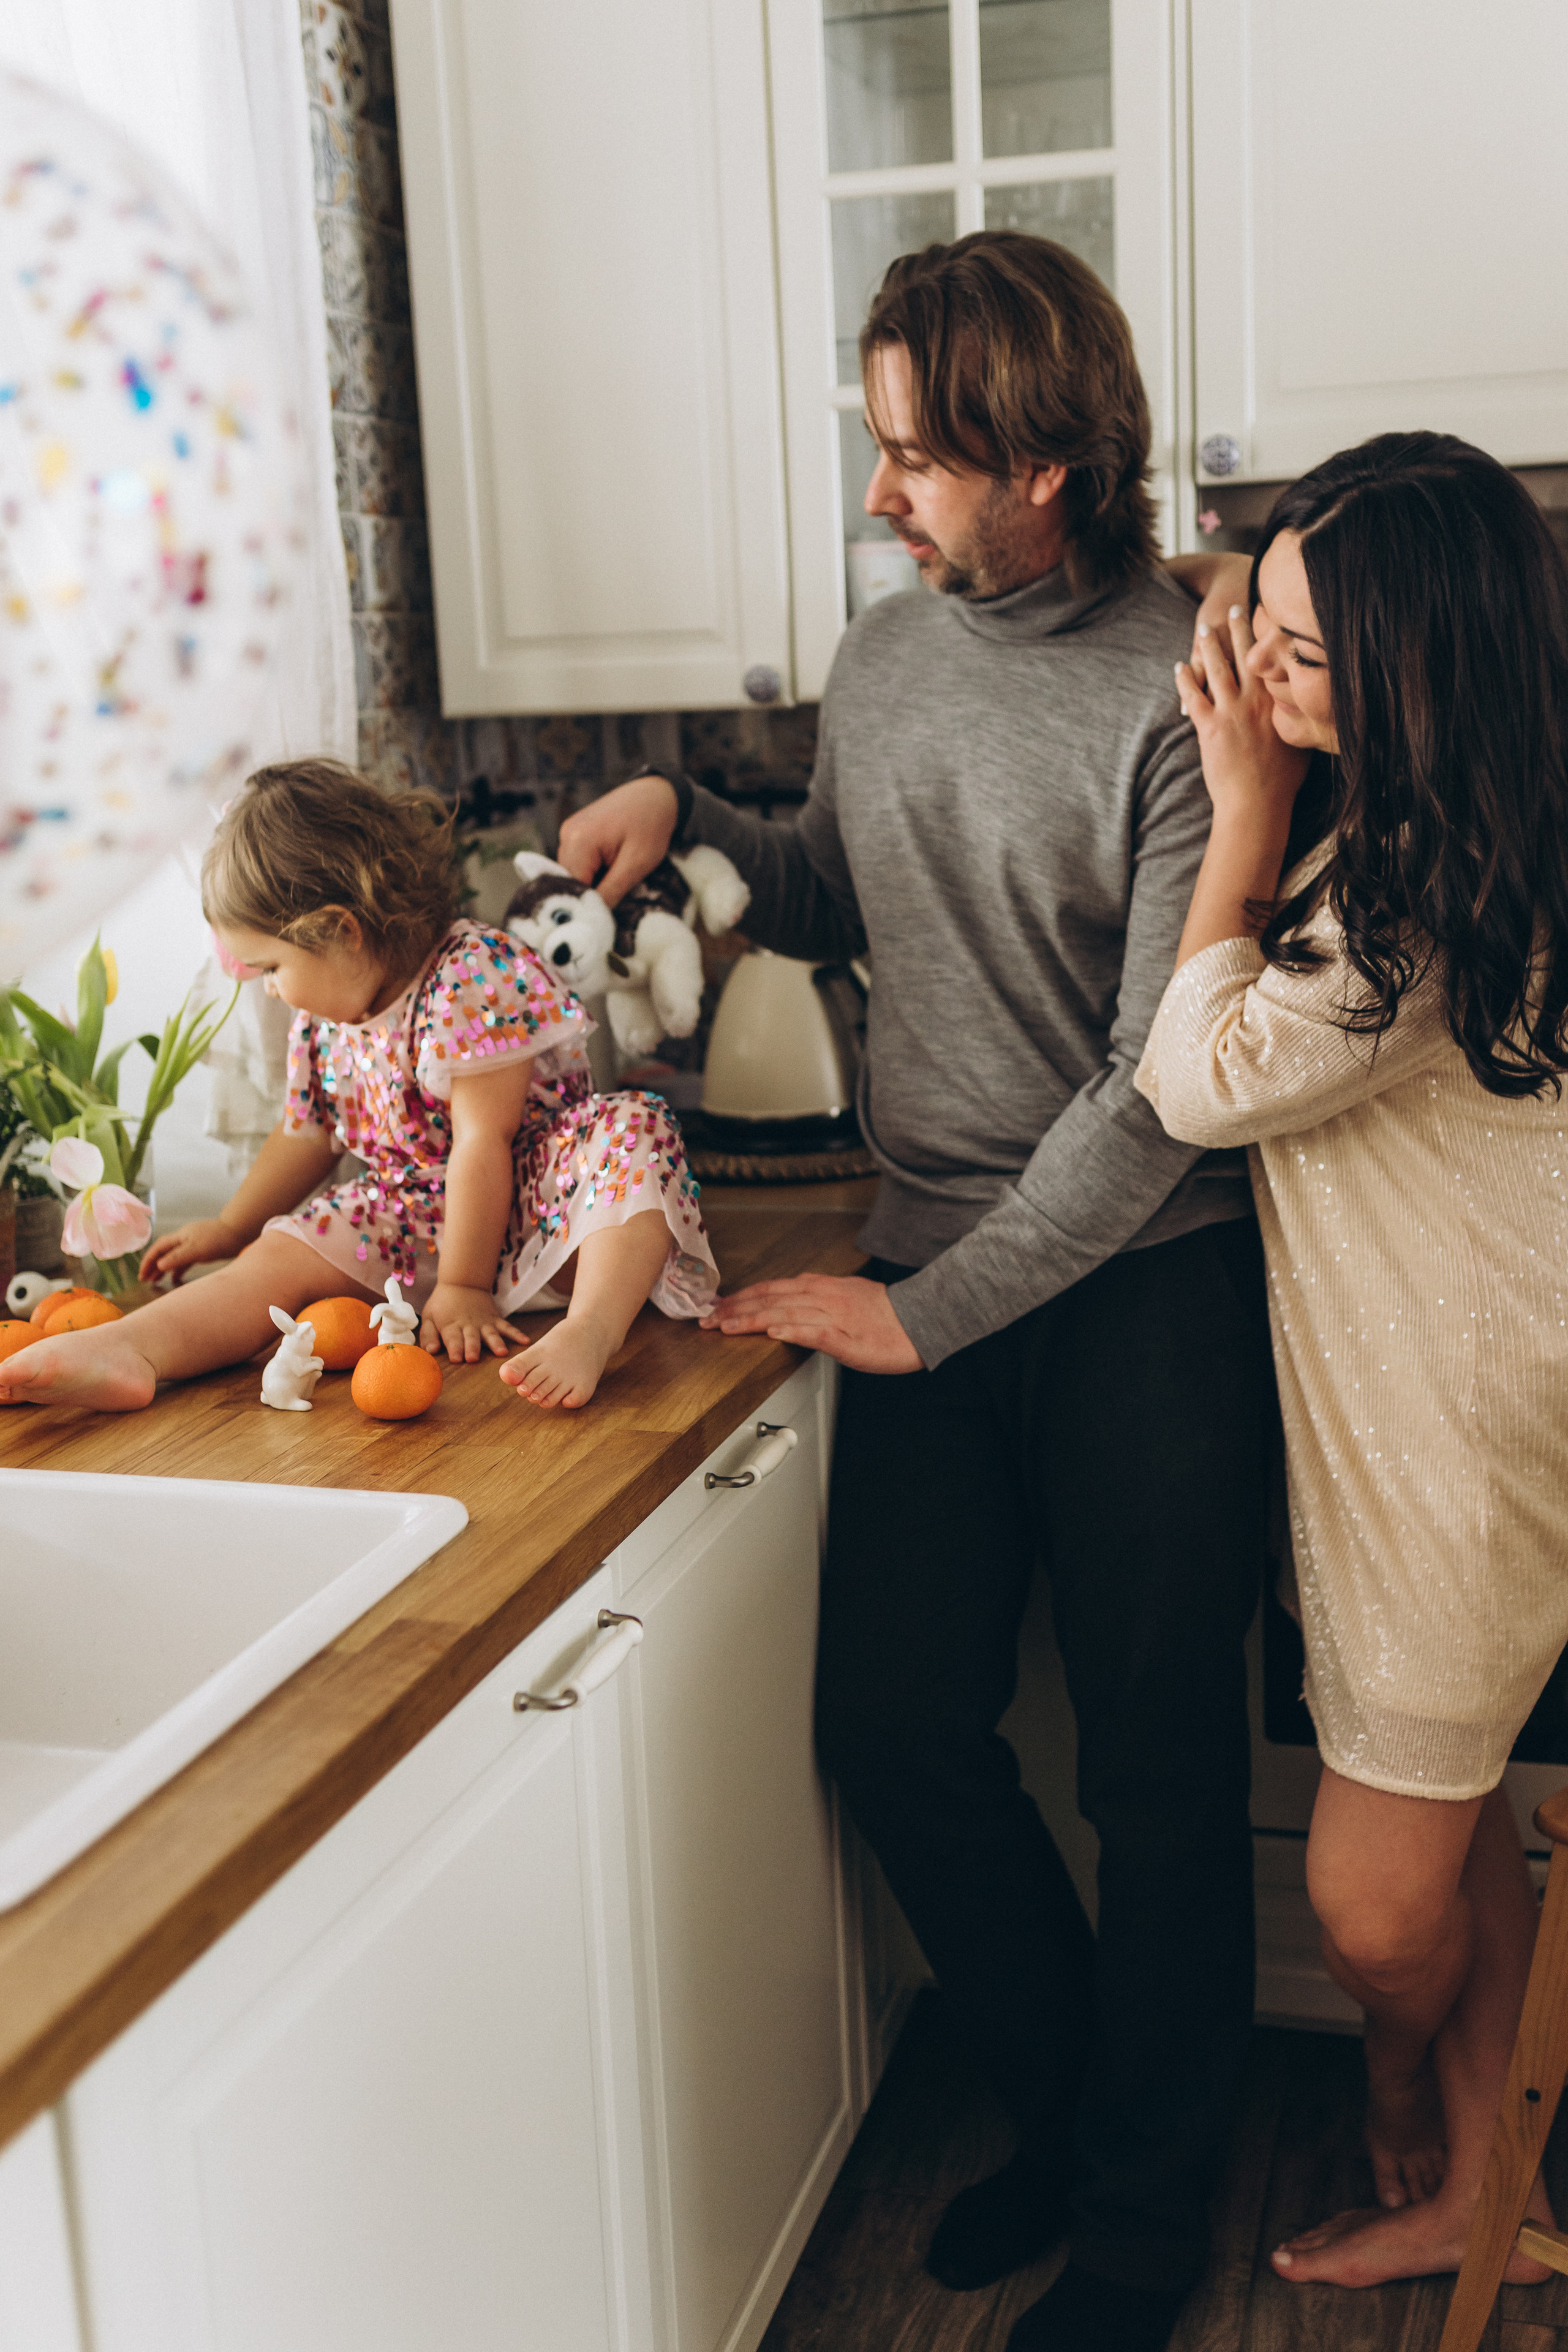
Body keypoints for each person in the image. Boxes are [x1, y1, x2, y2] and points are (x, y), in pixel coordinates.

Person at [557, 230, 1270, 2352]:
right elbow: (845, 880)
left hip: (1146, 1292)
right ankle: (1067, 2118)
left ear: (1046, 458)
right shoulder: (889, 654)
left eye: (917, 458)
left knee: (1156, 1778)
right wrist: (696, 814)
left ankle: (1147, 2230)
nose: (882, 493)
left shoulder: (1186, 693)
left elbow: (1164, 1090)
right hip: (932, 1257)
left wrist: (923, 1314)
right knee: (894, 1722)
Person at [1137, 432, 1568, 2291]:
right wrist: (1229, 618)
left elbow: (1196, 1081)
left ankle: (1406, 2083)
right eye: (1263, 631)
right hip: (1433, 1402)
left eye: (1302, 649)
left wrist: (1237, 814)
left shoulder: (1413, 891)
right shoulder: (1451, 827)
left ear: (1417, 663)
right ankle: (1487, 2186)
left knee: (1372, 1904)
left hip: (1458, 1437)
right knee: (1454, 1820)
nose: (1263, 677)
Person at [0, 761, 717, 1415]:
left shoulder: (472, 975)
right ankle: (133, 1349)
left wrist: (464, 1287)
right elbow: (304, 1135)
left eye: (269, 967)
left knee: (634, 1127)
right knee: (270, 1262)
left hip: (543, 1207)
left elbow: (482, 1142)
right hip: (413, 1215)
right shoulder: (322, 1021)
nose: (270, 989)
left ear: (339, 930)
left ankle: (592, 1329)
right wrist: (232, 1226)